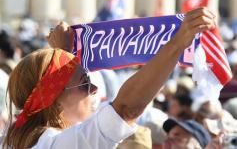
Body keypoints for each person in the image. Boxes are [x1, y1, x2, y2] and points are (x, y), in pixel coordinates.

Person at [1, 8, 216, 148]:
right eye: (86, 84)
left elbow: (54, 84)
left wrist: (65, 55)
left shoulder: (15, 137)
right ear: (53, 99)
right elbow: (125, 109)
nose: (95, 90)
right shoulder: (57, 145)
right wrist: (179, 42)